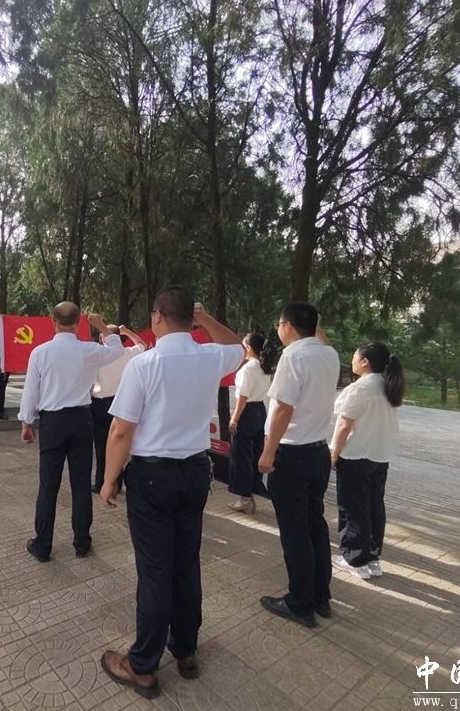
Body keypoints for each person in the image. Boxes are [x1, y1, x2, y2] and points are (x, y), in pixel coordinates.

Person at [97, 287, 244, 699]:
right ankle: (185, 649)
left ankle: (142, 665)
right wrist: (205, 318)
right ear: (191, 319)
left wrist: (109, 479)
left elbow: (121, 429)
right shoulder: (210, 356)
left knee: (155, 572)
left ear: (157, 317)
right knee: (185, 564)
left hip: (153, 477)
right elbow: (237, 346)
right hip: (195, 472)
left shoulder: (144, 364)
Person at [19, 303, 125, 562]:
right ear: (78, 323)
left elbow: (31, 391)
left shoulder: (40, 352)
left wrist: (27, 422)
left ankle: (43, 545)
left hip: (52, 423)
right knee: (80, 484)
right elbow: (117, 349)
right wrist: (101, 325)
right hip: (81, 420)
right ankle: (82, 543)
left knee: (48, 486)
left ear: (53, 320)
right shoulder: (89, 350)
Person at [257, 303, 340, 628]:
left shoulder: (293, 356)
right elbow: (320, 336)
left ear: (288, 326)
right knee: (315, 525)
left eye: (279, 324)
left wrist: (268, 452)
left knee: (295, 533)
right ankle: (320, 596)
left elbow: (282, 409)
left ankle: (299, 602)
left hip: (291, 455)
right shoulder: (328, 354)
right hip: (318, 452)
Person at [329, 342, 403, 580]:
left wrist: (334, 453)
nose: (352, 361)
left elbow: (343, 425)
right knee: (374, 507)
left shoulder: (359, 388)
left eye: (354, 356)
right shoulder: (387, 386)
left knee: (353, 508)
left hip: (356, 455)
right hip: (380, 456)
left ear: (365, 362)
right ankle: (372, 558)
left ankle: (355, 559)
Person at [90, 325, 147, 493]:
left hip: (101, 403)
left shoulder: (98, 355)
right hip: (123, 402)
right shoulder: (128, 353)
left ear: (102, 338)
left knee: (102, 446)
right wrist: (128, 332)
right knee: (120, 443)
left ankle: (102, 482)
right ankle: (118, 480)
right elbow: (143, 345)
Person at [228, 332, 275, 513]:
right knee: (254, 454)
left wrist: (234, 419)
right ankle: (252, 493)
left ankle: (244, 499)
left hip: (246, 412)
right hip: (260, 411)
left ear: (248, 347)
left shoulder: (248, 369)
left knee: (242, 456)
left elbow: (243, 396)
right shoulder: (265, 367)